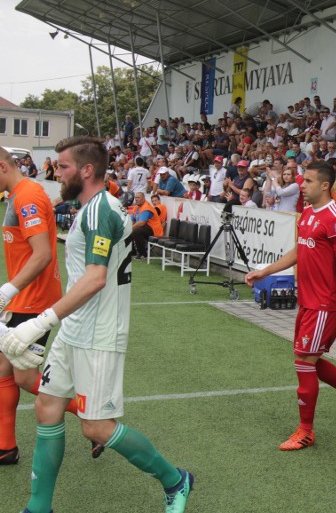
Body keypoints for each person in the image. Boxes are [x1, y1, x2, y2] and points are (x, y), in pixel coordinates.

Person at [0, 136, 193, 512]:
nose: (58, 172)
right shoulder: (89, 208)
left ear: (87, 170)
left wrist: (38, 323)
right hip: (75, 329)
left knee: (97, 427)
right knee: (47, 407)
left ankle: (175, 479)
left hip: (99, 334)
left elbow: (94, 279)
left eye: (64, 166)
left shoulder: (99, 210)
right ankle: (38, 508)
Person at [244, 161, 336, 451]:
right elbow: (298, 251)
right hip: (307, 300)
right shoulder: (309, 214)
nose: (302, 185)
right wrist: (265, 271)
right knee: (308, 359)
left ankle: (306, 431)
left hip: (325, 304)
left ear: (325, 186)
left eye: (309, 181)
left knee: (304, 362)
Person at [0, 148, 76, 468]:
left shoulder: (27, 195)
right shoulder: (17, 193)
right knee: (4, 371)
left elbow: (42, 254)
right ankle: (6, 447)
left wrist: (9, 289)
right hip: (23, 297)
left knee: (24, 377)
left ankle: (90, 411)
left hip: (33, 300)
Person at [129, 192, 163, 259]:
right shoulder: (136, 207)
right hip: (146, 228)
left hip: (154, 230)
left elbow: (142, 222)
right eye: (136, 198)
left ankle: (143, 254)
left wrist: (130, 228)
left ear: (143, 198)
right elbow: (131, 219)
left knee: (136, 230)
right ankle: (133, 252)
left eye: (138, 197)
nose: (136, 199)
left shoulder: (146, 207)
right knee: (132, 229)